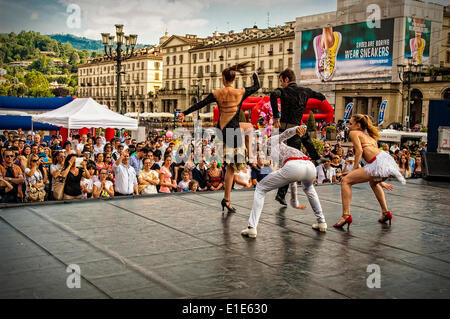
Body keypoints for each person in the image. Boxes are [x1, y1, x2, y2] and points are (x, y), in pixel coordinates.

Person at [179, 61, 260, 213]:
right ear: (234, 79)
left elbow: (200, 104)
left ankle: (227, 198)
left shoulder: (217, 93)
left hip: (222, 131)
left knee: (248, 129)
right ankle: (228, 196)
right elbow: (257, 87)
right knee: (231, 168)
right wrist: (254, 75)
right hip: (233, 132)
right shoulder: (240, 92)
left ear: (223, 79)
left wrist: (184, 113)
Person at [241, 126, 327, 238]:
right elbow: (292, 179)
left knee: (260, 188)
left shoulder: (271, 141)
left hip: (295, 165)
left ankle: (252, 227)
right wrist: (294, 201)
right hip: (309, 166)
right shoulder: (286, 151)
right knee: (309, 189)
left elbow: (285, 134)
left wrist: (296, 129)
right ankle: (322, 222)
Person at [333, 114, 405, 230]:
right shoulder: (371, 138)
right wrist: (381, 181)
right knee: (373, 183)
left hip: (378, 163)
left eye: (350, 124)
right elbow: (373, 164)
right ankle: (385, 212)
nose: (349, 126)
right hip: (387, 163)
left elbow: (360, 151)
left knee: (345, 181)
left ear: (358, 125)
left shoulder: (354, 133)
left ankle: (346, 215)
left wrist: (355, 168)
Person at [270, 68, 327, 206]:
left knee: (292, 160)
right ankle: (317, 158)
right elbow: (321, 97)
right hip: (295, 128)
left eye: (281, 81)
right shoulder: (305, 91)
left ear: (286, 80)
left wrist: (276, 116)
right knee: (294, 157)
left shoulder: (283, 91)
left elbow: (273, 94)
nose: (281, 83)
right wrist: (309, 97)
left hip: (286, 129)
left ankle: (281, 194)